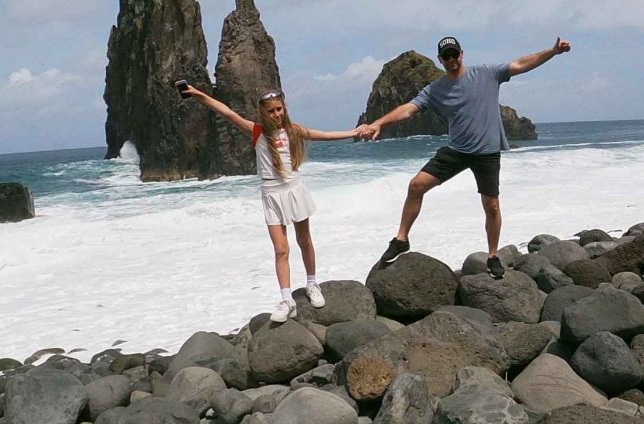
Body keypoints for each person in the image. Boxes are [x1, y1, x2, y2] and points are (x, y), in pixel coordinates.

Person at [358, 35, 571, 277]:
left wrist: (552, 52)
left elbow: (521, 64)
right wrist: (378, 123)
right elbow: (409, 109)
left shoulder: (486, 74)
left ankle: (492, 255)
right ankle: (401, 239)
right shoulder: (435, 90)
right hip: (457, 151)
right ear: (440, 60)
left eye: (454, 54)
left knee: (491, 206)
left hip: (487, 153)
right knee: (416, 185)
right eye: (446, 56)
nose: (451, 59)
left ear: (462, 54)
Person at [182, 85, 359, 322]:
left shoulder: (293, 131)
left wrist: (355, 132)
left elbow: (323, 135)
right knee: (280, 249)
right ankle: (287, 299)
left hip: (294, 189)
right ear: (263, 113)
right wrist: (199, 95)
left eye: (279, 109)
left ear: (284, 109)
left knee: (304, 241)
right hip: (271, 193)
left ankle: (312, 284)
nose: (276, 114)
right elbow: (227, 113)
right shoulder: (257, 132)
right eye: (272, 111)